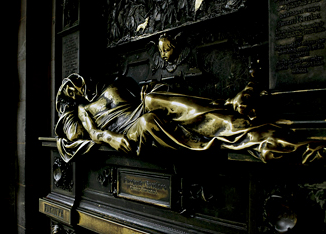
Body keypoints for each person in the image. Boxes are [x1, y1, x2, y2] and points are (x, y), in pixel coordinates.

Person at [55, 73, 326, 164]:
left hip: (139, 107)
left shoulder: (108, 87)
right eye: (69, 89)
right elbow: (90, 133)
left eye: (75, 82)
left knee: (154, 99)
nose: (76, 87)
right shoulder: (83, 111)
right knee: (149, 121)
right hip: (131, 128)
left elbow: (135, 95)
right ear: (69, 97)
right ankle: (237, 140)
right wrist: (112, 138)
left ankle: (229, 108)